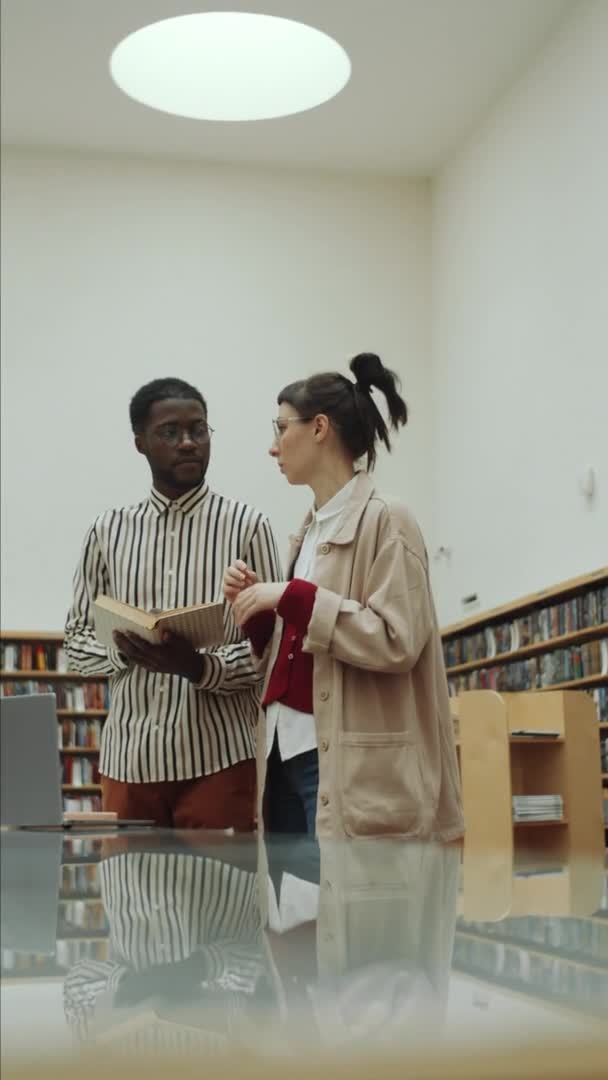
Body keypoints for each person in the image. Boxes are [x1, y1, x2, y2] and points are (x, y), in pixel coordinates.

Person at [223, 353, 464, 840]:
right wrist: (257, 614)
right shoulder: (307, 531)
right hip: (281, 755)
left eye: (280, 427)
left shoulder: (388, 518)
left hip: (342, 766)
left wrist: (291, 596)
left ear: (319, 428)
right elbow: (303, 651)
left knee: (342, 908)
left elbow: (396, 640)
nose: (273, 448)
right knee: (293, 913)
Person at [65, 377, 281, 828]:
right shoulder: (106, 532)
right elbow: (77, 641)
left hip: (220, 761)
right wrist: (124, 650)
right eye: (170, 432)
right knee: (128, 899)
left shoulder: (248, 526)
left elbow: (273, 652)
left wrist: (198, 667)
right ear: (140, 443)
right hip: (129, 763)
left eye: (199, 430)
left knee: (224, 899)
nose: (188, 443)